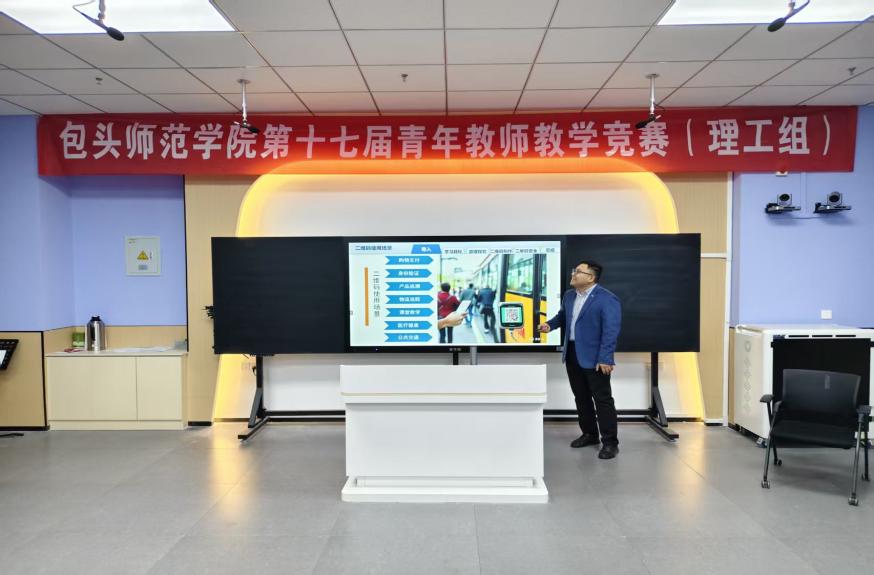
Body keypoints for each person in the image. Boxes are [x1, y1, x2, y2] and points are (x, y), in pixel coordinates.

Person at [538, 261, 622, 460]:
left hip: (596, 358)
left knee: (602, 400)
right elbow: (562, 317)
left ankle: (610, 443)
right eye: (574, 270)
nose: (573, 274)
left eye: (578, 271)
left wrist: (605, 358)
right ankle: (590, 434)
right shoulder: (569, 296)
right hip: (572, 353)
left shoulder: (607, 298)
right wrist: (549, 325)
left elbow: (611, 331)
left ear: (591, 277)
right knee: (581, 397)